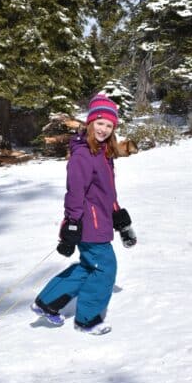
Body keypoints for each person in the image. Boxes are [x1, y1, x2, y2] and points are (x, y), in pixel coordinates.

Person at [31, 94, 137, 335]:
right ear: (90, 122)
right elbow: (75, 192)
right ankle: (87, 319)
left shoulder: (103, 153)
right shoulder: (83, 155)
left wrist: (120, 218)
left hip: (100, 219)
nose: (103, 129)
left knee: (89, 266)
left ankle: (47, 303)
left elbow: (106, 193)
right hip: (89, 223)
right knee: (104, 268)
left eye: (109, 125)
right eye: (100, 123)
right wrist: (71, 224)